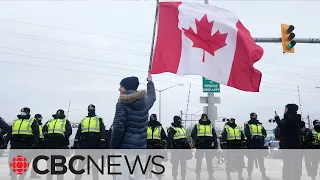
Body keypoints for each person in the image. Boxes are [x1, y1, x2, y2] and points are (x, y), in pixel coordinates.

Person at [110, 74, 156, 149]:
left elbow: (118, 128)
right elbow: (152, 96)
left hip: (125, 149)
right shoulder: (145, 102)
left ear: (127, 87)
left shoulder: (122, 104)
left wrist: (113, 148)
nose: (119, 89)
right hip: (141, 149)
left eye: (121, 86)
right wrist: (150, 82)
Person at [73, 104, 107, 180]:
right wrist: (75, 141)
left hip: (95, 143)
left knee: (94, 164)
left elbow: (103, 131)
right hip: (84, 143)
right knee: (81, 163)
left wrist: (102, 141)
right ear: (87, 109)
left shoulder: (99, 119)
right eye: (89, 108)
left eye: (92, 108)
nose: (90, 109)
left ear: (94, 109)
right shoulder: (83, 119)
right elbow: (79, 131)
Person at [7, 107, 40, 180]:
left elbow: (36, 133)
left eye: (24, 112)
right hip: (15, 144)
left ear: (28, 113)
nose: (22, 113)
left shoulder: (32, 121)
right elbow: (9, 132)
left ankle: (22, 176)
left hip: (26, 144)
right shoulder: (15, 121)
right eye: (21, 111)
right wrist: (6, 142)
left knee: (25, 161)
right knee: (11, 161)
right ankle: (13, 176)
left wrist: (34, 143)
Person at [42, 109, 72, 180]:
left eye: (60, 114)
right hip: (49, 143)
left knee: (59, 163)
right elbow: (44, 129)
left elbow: (69, 131)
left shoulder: (66, 121)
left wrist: (64, 135)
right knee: (49, 163)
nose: (59, 115)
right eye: (58, 113)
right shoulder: (50, 121)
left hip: (60, 143)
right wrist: (45, 134)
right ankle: (49, 178)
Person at [275, 104, 302, 180]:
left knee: (288, 164)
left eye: (286, 108)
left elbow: (283, 127)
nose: (284, 110)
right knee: (296, 164)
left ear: (289, 109)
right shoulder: (296, 118)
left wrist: (277, 119)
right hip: (296, 145)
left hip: (289, 145)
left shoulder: (290, 118)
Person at [191, 113, 218, 180]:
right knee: (199, 161)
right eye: (203, 118)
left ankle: (210, 175)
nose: (204, 119)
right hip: (200, 145)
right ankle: (198, 176)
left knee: (209, 161)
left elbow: (214, 136)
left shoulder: (211, 125)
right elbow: (193, 134)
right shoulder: (197, 125)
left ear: (207, 118)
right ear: (201, 118)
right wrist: (198, 140)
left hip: (208, 145)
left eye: (205, 118)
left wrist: (215, 144)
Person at [244, 113, 270, 180]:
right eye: (253, 116)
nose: (255, 117)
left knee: (261, 160)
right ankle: (249, 175)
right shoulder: (248, 124)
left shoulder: (260, 124)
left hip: (260, 144)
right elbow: (246, 133)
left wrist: (263, 137)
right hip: (252, 144)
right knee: (251, 161)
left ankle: (263, 175)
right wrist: (253, 137)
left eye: (255, 116)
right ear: (251, 116)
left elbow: (264, 132)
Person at [168, 116, 191, 180]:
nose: (180, 121)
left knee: (183, 164)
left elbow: (185, 139)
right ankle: (174, 177)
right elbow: (170, 139)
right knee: (175, 164)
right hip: (176, 149)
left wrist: (189, 148)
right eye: (179, 120)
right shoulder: (172, 128)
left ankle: (183, 177)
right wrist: (171, 148)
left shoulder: (182, 128)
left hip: (183, 149)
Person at [146, 114, 167, 180]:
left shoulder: (159, 127)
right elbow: (142, 136)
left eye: (153, 117)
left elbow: (164, 136)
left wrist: (162, 142)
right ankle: (150, 173)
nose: (153, 119)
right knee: (149, 161)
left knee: (157, 161)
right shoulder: (146, 126)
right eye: (152, 117)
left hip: (157, 146)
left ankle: (159, 175)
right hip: (148, 147)